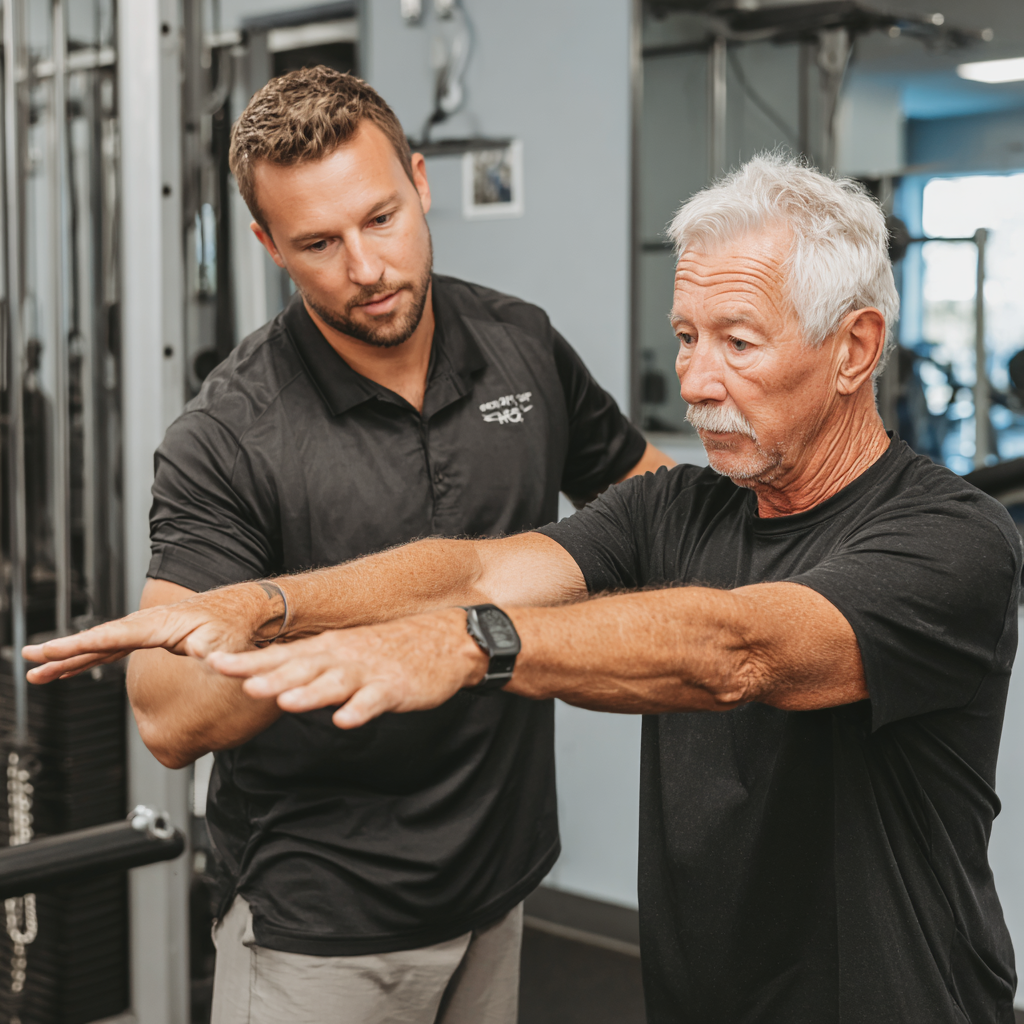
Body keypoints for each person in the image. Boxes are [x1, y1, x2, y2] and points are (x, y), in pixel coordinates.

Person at [27, 155, 1020, 1023]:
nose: (695, 380)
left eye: (738, 342)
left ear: (853, 348)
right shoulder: (676, 507)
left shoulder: (951, 540)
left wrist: (471, 645)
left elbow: (737, 649)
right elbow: (475, 567)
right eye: (686, 336)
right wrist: (265, 604)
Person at [53, 67, 670, 1023]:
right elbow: (167, 715)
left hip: (499, 875)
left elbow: (647, 499)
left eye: (381, 219)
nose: (367, 268)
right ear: (268, 246)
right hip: (322, 914)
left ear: (419, 183)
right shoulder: (227, 434)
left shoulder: (520, 344)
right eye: (318, 243)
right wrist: (343, 638)